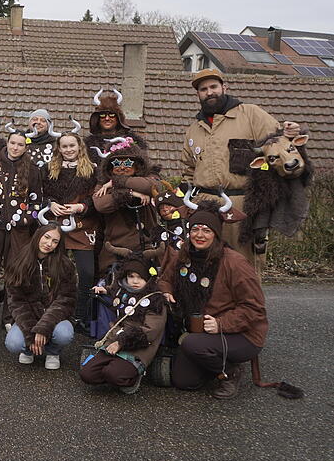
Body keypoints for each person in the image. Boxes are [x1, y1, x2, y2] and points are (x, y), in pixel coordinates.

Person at [181, 68, 300, 274]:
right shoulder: (194, 129)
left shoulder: (251, 114)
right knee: (205, 266)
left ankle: (246, 297)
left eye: (213, 87)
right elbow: (189, 169)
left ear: (224, 87)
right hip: (204, 207)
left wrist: (291, 133)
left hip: (243, 206)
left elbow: (280, 147)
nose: (209, 92)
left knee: (243, 267)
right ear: (198, 94)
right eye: (203, 89)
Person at [158, 200, 267, 399]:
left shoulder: (235, 263)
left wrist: (221, 323)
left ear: (216, 234)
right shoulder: (184, 255)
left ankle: (231, 372)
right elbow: (165, 280)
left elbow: (255, 309)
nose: (199, 235)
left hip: (242, 334)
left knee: (191, 344)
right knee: (184, 381)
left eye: (206, 230)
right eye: (195, 229)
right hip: (201, 333)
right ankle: (214, 363)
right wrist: (167, 291)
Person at [0, 127, 42, 331]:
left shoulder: (32, 170)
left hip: (19, 230)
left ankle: (10, 316)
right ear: (7, 143)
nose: (15, 147)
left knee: (15, 272)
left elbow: (36, 202)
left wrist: (26, 219)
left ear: (25, 148)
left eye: (20, 145)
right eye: (13, 143)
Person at [80, 249, 166, 393]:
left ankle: (131, 377)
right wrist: (105, 290)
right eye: (131, 276)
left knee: (113, 374)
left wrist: (121, 342)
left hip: (139, 345)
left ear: (148, 278)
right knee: (87, 374)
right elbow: (115, 291)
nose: (135, 281)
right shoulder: (124, 291)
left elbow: (150, 332)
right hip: (115, 338)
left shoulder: (155, 300)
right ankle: (114, 371)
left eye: (140, 277)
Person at [42, 131, 98, 333]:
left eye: (71, 145)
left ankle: (80, 316)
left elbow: (96, 198)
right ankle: (51, 312)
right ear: (59, 148)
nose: (68, 150)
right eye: (64, 146)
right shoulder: (49, 168)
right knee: (53, 271)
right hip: (56, 225)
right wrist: (51, 203)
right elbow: (41, 193)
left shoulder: (92, 170)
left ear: (79, 146)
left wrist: (81, 206)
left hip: (82, 225)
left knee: (87, 273)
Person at [4, 223, 76, 370]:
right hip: (29, 316)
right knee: (13, 343)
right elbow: (16, 302)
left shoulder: (65, 265)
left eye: (55, 241)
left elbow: (66, 300)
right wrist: (31, 334)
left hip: (55, 318)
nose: (49, 244)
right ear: (38, 236)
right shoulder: (19, 262)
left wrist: (43, 328)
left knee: (64, 334)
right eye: (46, 237)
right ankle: (28, 350)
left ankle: (53, 351)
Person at [92, 137, 158, 274]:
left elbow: (150, 186)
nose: (122, 167)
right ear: (110, 167)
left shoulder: (148, 178)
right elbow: (101, 205)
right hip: (114, 249)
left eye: (128, 163)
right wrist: (131, 193)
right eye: (117, 163)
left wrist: (116, 182)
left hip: (145, 246)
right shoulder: (102, 185)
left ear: (137, 165)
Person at [85, 89, 149, 166]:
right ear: (97, 119)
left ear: (118, 118)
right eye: (103, 115)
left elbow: (142, 165)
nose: (107, 118)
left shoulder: (133, 141)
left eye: (112, 115)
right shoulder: (88, 143)